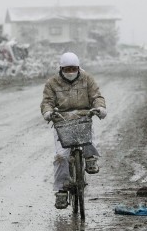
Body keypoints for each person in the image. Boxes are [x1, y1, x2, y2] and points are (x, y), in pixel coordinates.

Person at [40, 52, 107, 209]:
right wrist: (48, 112)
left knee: (87, 137)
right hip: (62, 120)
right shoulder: (52, 83)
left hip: (83, 116)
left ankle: (90, 157)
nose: (70, 72)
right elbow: (47, 101)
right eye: (67, 69)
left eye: (73, 68)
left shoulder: (87, 79)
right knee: (61, 157)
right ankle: (61, 191)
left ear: (78, 68)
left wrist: (100, 108)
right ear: (61, 69)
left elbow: (96, 96)